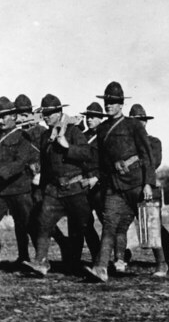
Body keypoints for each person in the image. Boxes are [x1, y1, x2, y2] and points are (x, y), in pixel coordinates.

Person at [87, 82, 158, 282]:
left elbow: (147, 156)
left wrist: (148, 184)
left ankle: (162, 263)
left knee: (149, 225)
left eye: (113, 102)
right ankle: (101, 267)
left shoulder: (134, 125)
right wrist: (101, 179)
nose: (109, 105)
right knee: (109, 224)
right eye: (107, 101)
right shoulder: (102, 130)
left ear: (121, 104)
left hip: (136, 183)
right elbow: (101, 161)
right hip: (114, 186)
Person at [27, 94, 94, 277]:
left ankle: (99, 263)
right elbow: (46, 166)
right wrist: (41, 191)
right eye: (44, 114)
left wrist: (67, 148)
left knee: (84, 226)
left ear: (59, 112)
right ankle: (41, 262)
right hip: (53, 190)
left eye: (49, 113)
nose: (46, 117)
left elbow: (87, 154)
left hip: (74, 189)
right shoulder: (45, 136)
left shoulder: (73, 131)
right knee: (43, 223)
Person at [0, 96, 40, 267]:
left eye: (4, 116)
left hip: (20, 189)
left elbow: (20, 162)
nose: (0, 120)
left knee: (28, 225)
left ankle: (39, 259)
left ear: (14, 117)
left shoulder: (23, 136)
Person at [115, 103, 169, 277]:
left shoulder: (154, 142)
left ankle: (162, 263)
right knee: (121, 226)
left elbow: (152, 162)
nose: (139, 124)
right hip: (127, 190)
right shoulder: (124, 144)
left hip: (146, 189)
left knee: (152, 228)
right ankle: (120, 261)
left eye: (141, 121)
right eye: (135, 121)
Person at [79, 102, 105, 261]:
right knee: (85, 222)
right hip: (84, 184)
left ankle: (120, 256)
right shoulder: (83, 136)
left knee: (107, 223)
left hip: (100, 185)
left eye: (93, 117)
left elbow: (109, 162)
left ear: (101, 118)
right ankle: (97, 255)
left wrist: (97, 177)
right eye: (87, 117)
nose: (89, 120)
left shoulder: (106, 135)